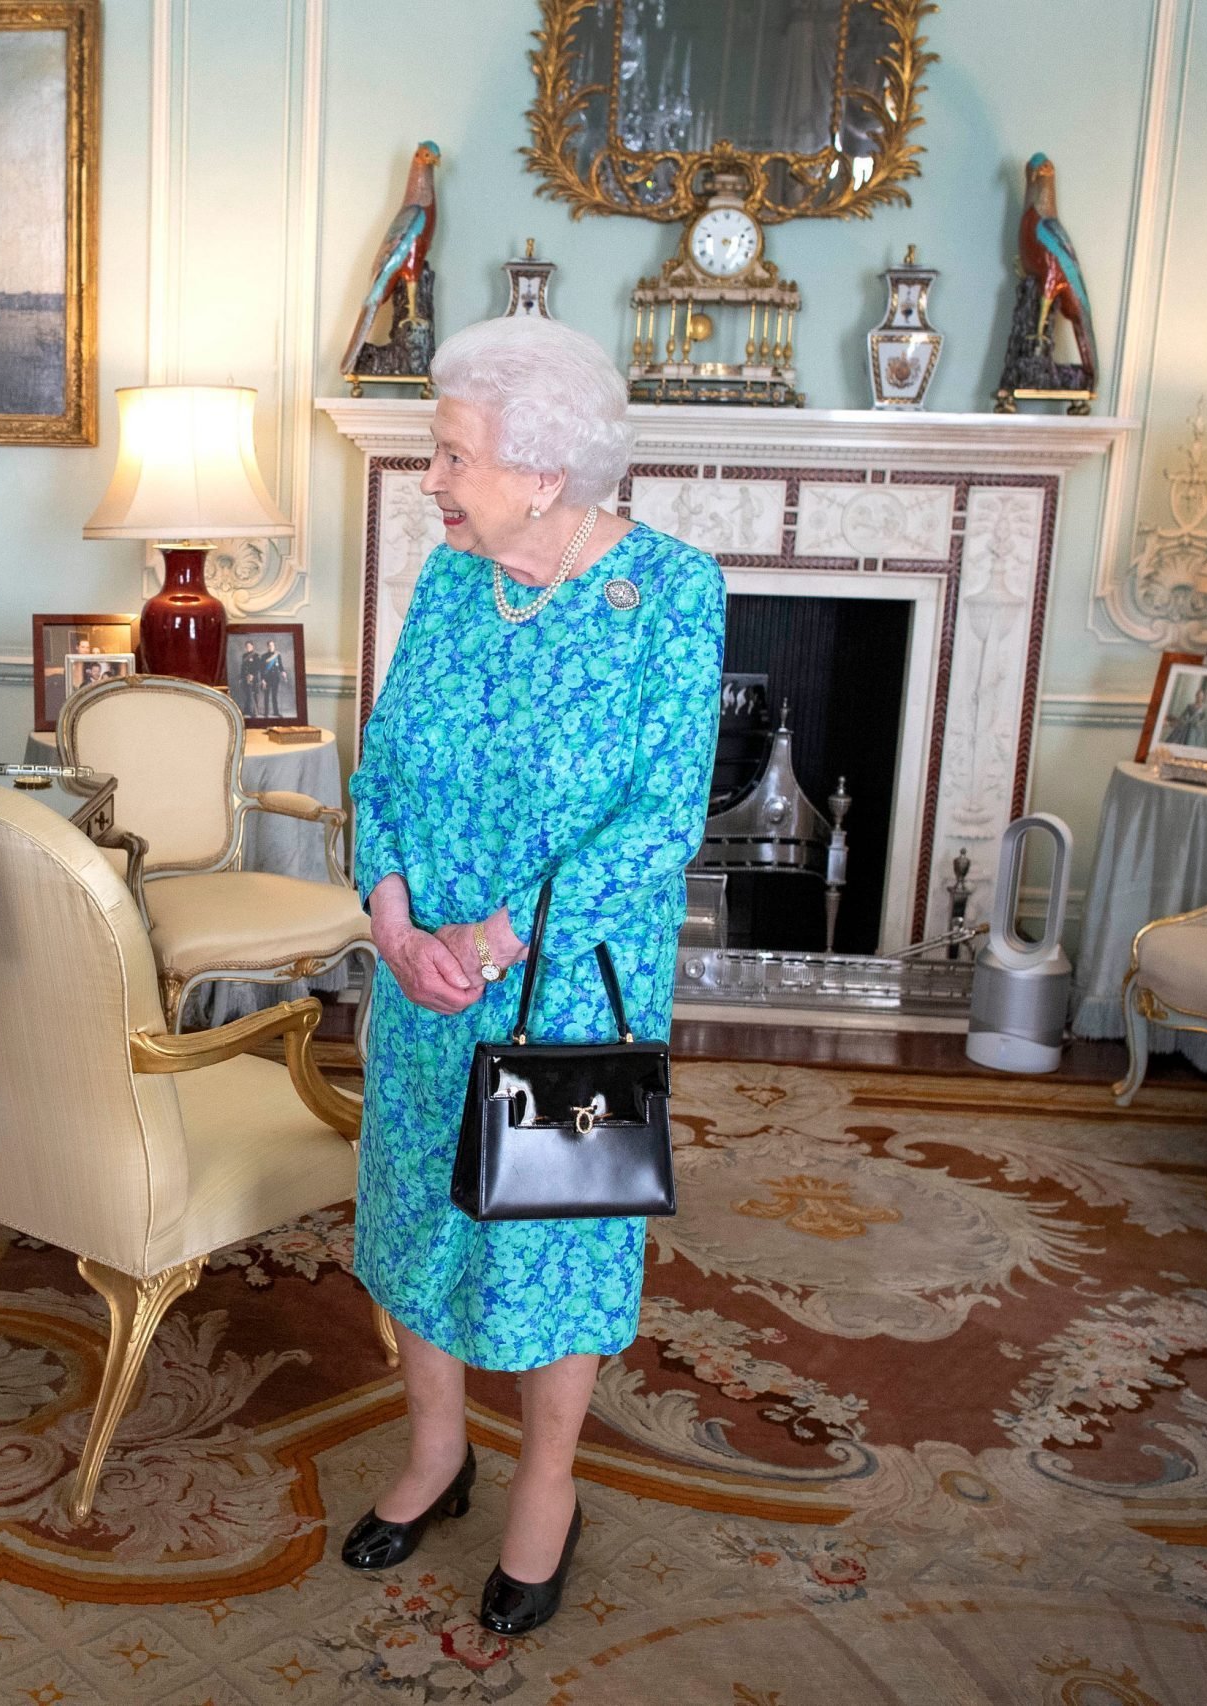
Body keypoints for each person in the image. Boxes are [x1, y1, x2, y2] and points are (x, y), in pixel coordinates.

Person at [342, 314, 723, 1636]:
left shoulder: (671, 592)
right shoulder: (452, 574)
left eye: (450, 453)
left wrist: (499, 939)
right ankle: (438, 1455)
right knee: (413, 1219)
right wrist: (392, 917)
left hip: (566, 992)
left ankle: (547, 1484)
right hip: (424, 981)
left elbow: (659, 821)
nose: (431, 476)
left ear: (544, 473)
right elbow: (385, 756)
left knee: (554, 1242)